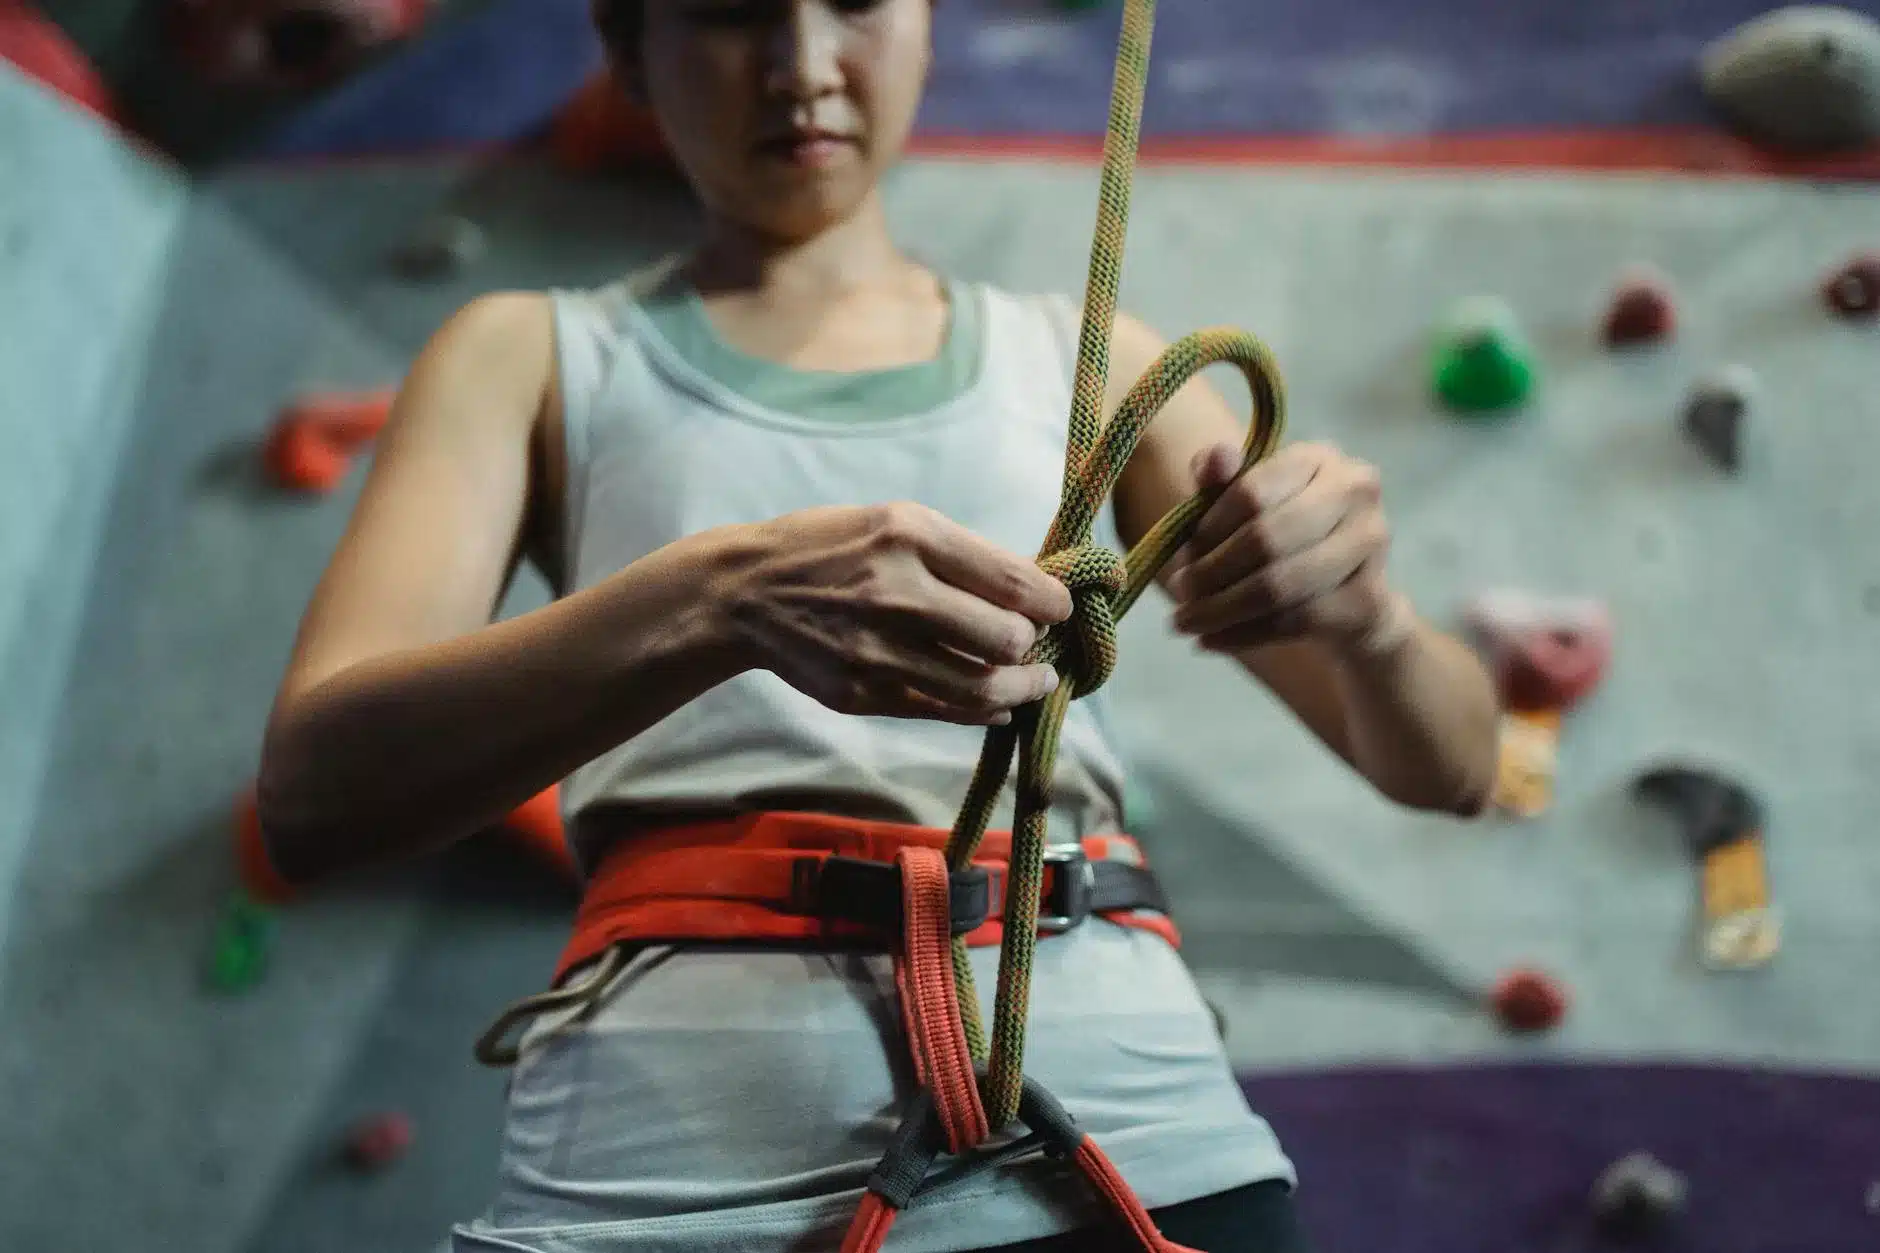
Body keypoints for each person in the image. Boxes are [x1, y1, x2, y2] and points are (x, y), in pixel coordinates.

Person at [254, 1, 1502, 1250]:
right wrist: (717, 599)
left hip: (1132, 1150)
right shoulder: (533, 357)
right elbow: (315, 794)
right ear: (631, 53)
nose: (800, 66)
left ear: (922, 28)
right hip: (662, 1189)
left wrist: (1370, 622)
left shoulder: (1086, 365)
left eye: (852, 2)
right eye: (733, 11)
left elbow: (1450, 765)